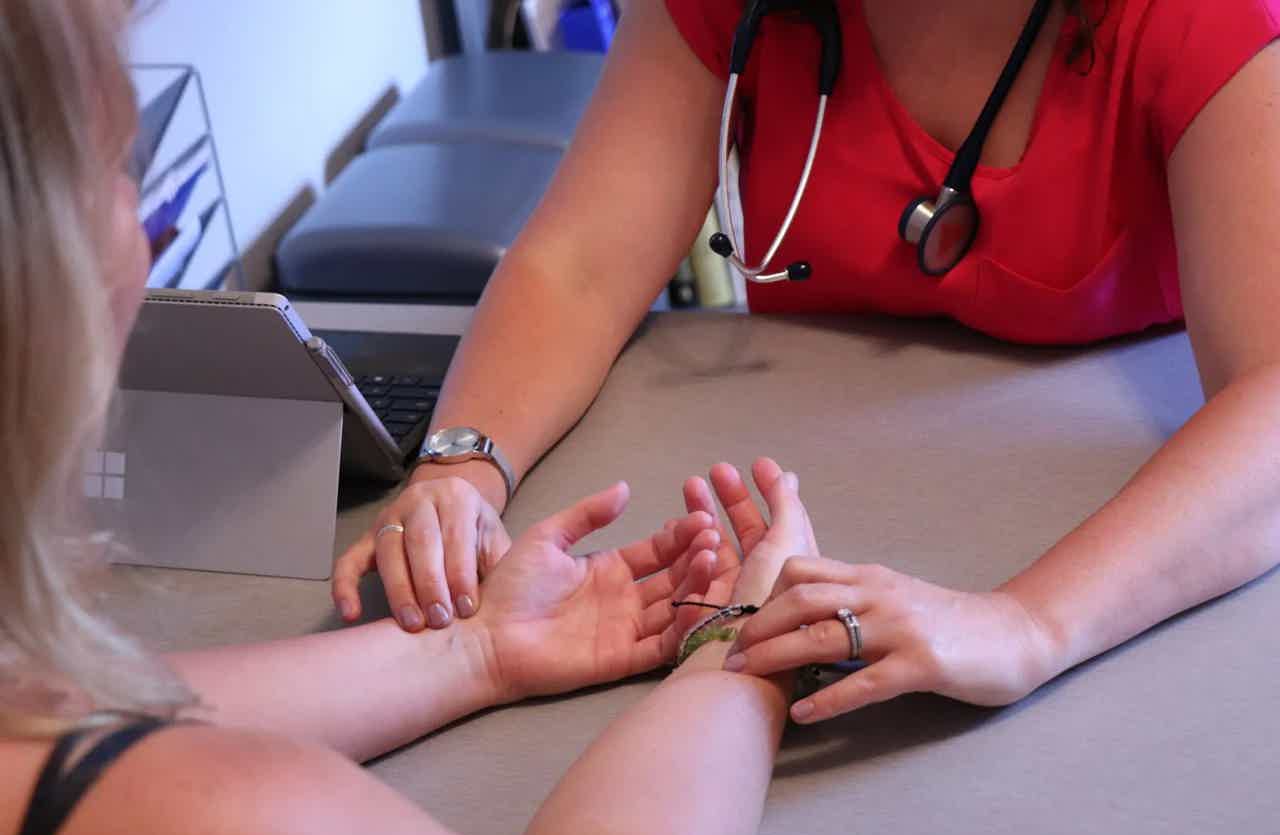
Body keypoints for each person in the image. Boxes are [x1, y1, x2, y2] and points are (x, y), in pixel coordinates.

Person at [0, 2, 823, 835]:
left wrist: (479, 649)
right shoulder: (226, 811)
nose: (141, 215)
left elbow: (83, 710)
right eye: (112, 169)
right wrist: (746, 652)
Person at [339, 0, 1280, 727]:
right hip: (804, 515)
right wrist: (461, 462)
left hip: (1144, 552)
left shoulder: (1199, 19)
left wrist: (1027, 625)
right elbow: (580, 265)